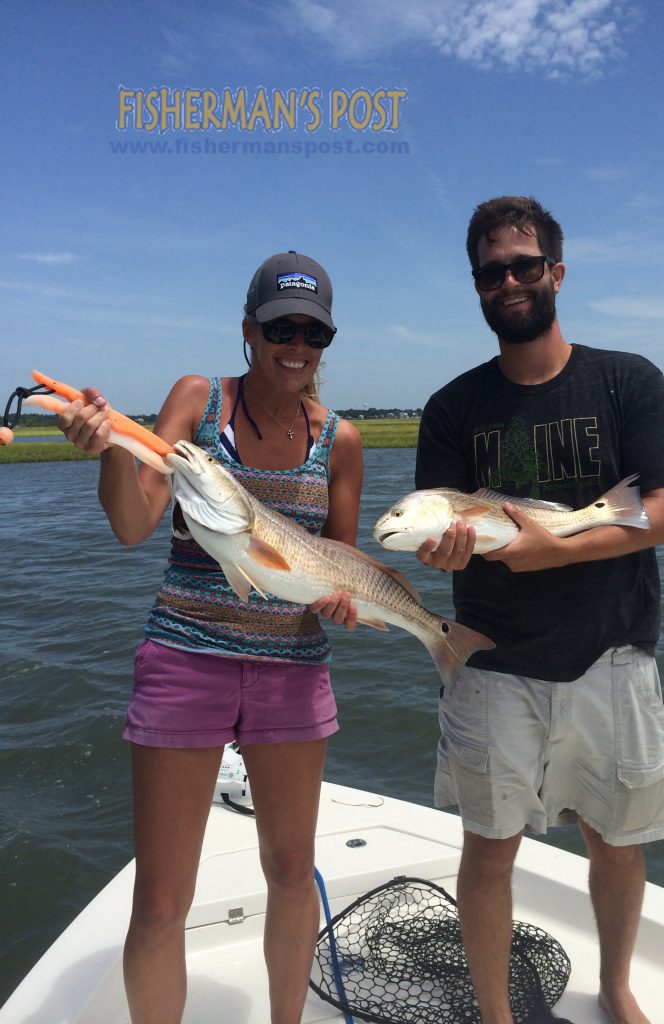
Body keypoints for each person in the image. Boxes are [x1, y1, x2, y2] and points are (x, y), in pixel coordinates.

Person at [56, 250, 363, 1024]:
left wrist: (348, 603)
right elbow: (133, 523)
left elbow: (342, 565)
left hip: (293, 667)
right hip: (183, 657)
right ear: (248, 331)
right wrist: (110, 455)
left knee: (293, 872)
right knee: (161, 900)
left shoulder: (343, 442)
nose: (296, 345)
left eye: (313, 332)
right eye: (280, 327)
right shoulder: (200, 401)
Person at [414, 197, 664, 1024]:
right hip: (492, 661)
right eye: (492, 270)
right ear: (477, 287)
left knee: (616, 839)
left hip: (614, 653)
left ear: (556, 274)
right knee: (488, 849)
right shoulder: (452, 408)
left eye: (525, 264)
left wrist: (554, 549)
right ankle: (497, 1015)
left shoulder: (627, 380)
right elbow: (437, 516)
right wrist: (440, 549)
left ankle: (615, 986)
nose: (510, 280)